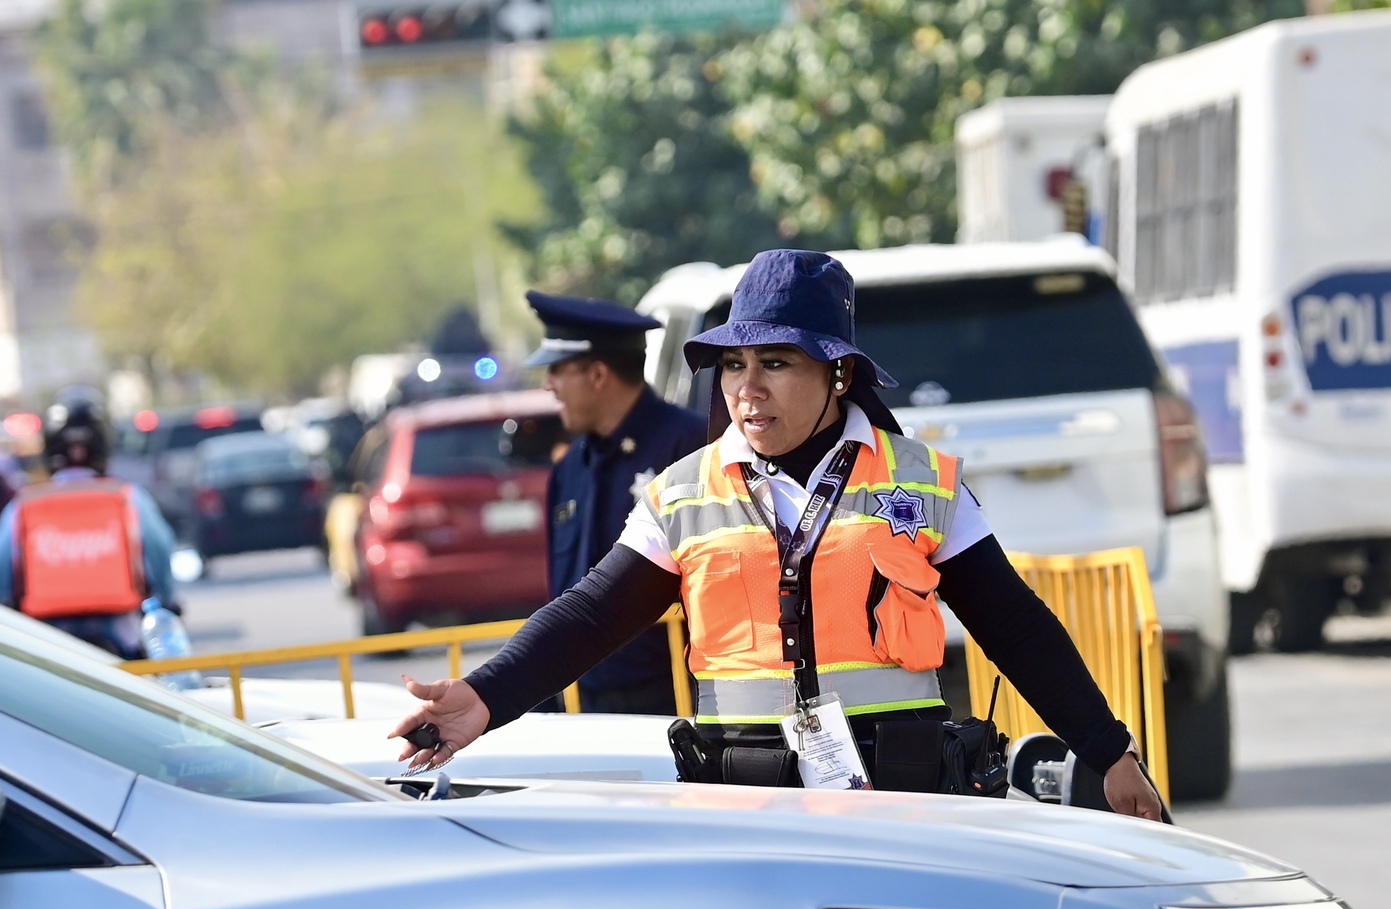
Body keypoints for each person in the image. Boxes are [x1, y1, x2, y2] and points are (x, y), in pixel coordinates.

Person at [393, 250, 1164, 819]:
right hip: (746, 811)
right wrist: (483, 698)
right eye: (731, 365)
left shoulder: (921, 481)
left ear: (837, 374)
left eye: (774, 363)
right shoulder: (683, 491)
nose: (745, 390)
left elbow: (1015, 626)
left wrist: (1109, 751)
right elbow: (592, 615)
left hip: (902, 802)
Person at [524, 289, 706, 714]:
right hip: (582, 706)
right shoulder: (570, 467)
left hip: (676, 703)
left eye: (556, 370)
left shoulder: (695, 447)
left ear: (599, 375)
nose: (548, 385)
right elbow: (563, 597)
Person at [0, 390, 179, 658]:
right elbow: (159, 553)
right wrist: (167, 601)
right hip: (122, 640)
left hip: (44, 645)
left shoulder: (22, 506)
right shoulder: (129, 497)